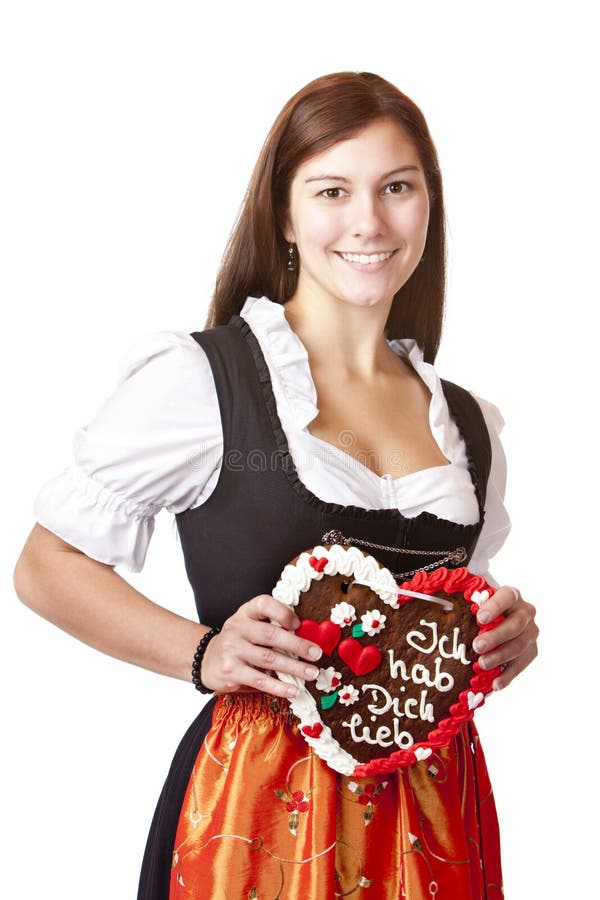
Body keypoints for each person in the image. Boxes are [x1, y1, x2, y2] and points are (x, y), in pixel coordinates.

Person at [14, 71, 538, 899]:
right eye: (333, 190)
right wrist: (202, 654)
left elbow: (442, 615)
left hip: (433, 819)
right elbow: (47, 565)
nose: (368, 221)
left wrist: (502, 636)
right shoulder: (205, 380)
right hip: (252, 813)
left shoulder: (470, 425)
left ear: (427, 207)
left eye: (396, 187)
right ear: (284, 214)